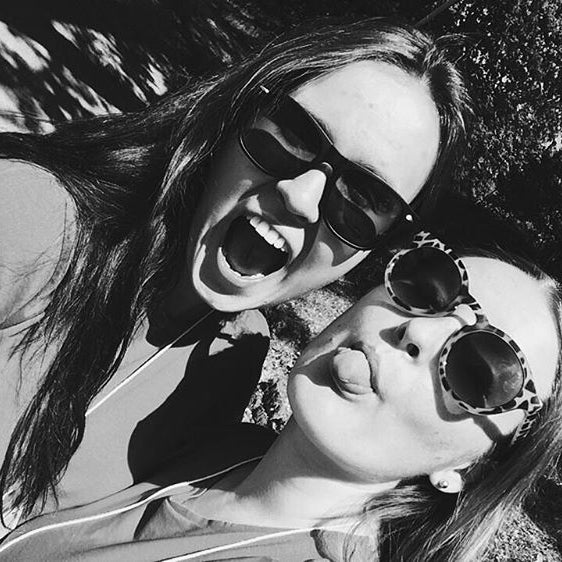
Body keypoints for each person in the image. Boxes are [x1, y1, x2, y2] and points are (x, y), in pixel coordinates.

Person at [0, 19, 470, 533]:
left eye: (364, 199)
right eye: (293, 134)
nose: (300, 196)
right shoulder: (35, 217)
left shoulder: (233, 358)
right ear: (234, 116)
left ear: (374, 250)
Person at [0, 233, 560, 561]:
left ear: (471, 465)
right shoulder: (228, 447)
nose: (415, 330)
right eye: (428, 286)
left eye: (480, 369)